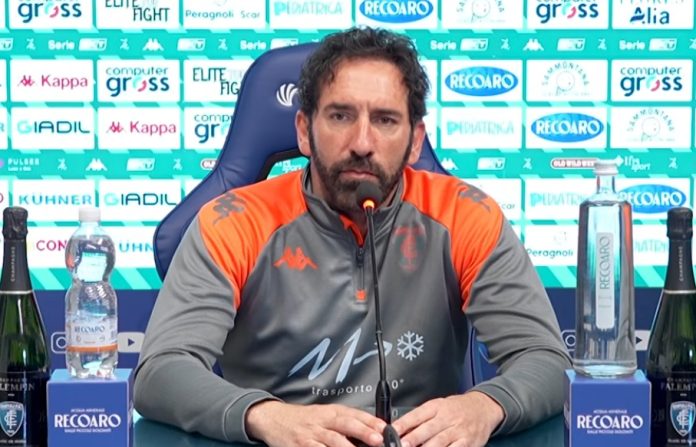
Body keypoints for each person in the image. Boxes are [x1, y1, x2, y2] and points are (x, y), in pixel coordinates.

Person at [134, 27, 571, 447]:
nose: (362, 142)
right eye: (341, 116)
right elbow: (160, 373)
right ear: (304, 131)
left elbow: (547, 361)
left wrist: (484, 407)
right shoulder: (232, 223)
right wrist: (265, 416)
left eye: (385, 120)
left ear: (415, 141)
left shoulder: (466, 216)